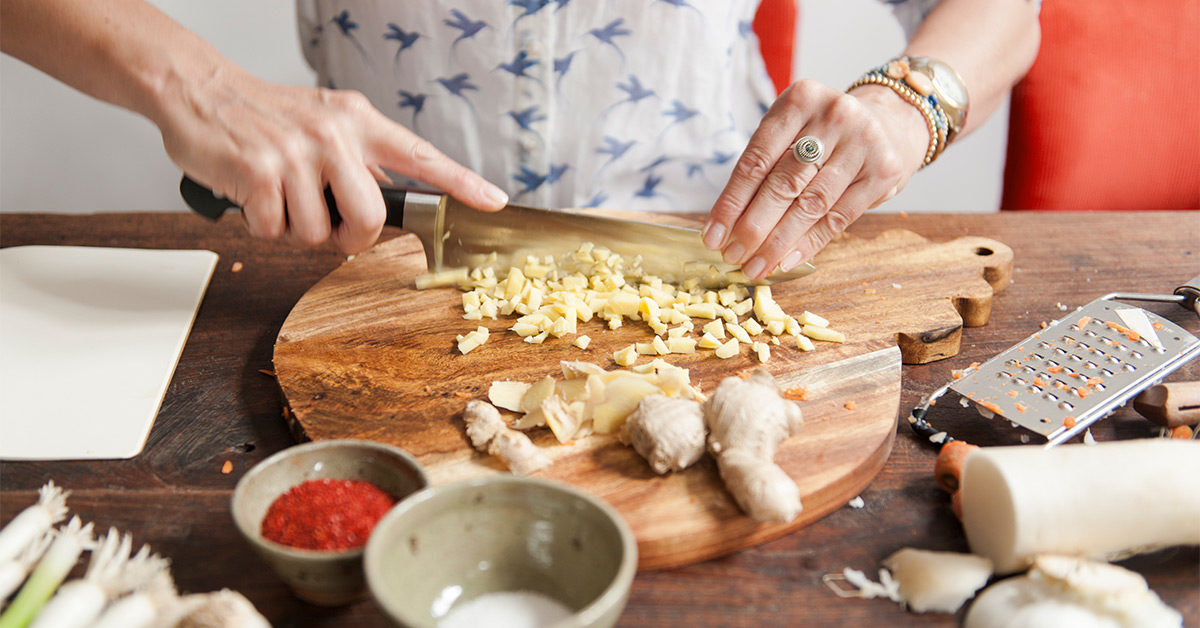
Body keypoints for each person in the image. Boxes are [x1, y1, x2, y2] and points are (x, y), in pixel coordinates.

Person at [0, 0, 1039, 280]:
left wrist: (915, 97)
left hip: (728, 242)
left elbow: (1006, 11)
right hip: (380, 255)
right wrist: (199, 83)